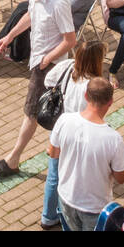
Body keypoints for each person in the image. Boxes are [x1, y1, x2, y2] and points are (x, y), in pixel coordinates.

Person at [0, 0, 76, 178]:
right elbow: (30, 15)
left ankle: (12, 160)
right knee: (53, 114)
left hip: (49, 66)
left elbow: (70, 40)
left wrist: (47, 59)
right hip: (39, 61)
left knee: (32, 112)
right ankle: (71, 154)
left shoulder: (58, 2)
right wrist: (8, 36)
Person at [40, 39, 110, 229]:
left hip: (61, 129)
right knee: (72, 178)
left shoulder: (67, 66)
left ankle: (47, 216)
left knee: (54, 173)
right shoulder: (94, 85)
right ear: (97, 61)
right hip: (80, 136)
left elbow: (48, 80)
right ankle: (66, 216)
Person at [47, 79, 124, 231]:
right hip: (95, 208)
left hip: (66, 198)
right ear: (110, 102)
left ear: (85, 96)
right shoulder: (114, 139)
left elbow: (53, 153)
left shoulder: (64, 120)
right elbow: (120, 178)